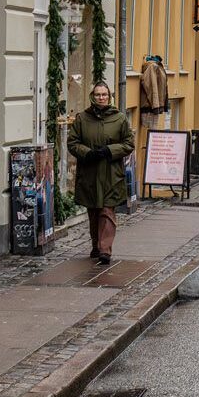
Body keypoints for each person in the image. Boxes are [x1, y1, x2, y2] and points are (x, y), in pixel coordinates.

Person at [68, 82, 133, 265]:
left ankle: (105, 250)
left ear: (109, 97)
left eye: (104, 95)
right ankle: (96, 245)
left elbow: (129, 144)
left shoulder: (119, 118)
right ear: (92, 96)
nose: (101, 98)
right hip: (90, 172)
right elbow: (72, 143)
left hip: (111, 173)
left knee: (107, 210)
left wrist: (110, 150)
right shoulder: (83, 118)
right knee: (94, 211)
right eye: (98, 95)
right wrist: (87, 153)